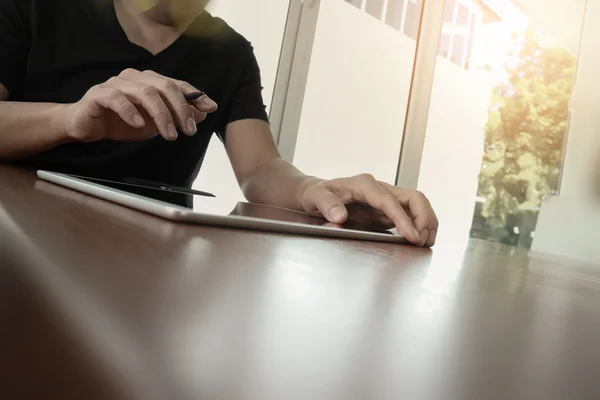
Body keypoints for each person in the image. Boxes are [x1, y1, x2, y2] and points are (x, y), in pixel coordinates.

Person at [0, 0, 438, 246]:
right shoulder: (36, 8)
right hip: (21, 236)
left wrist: (315, 191)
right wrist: (69, 118)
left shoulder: (229, 52)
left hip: (147, 260)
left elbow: (261, 169)